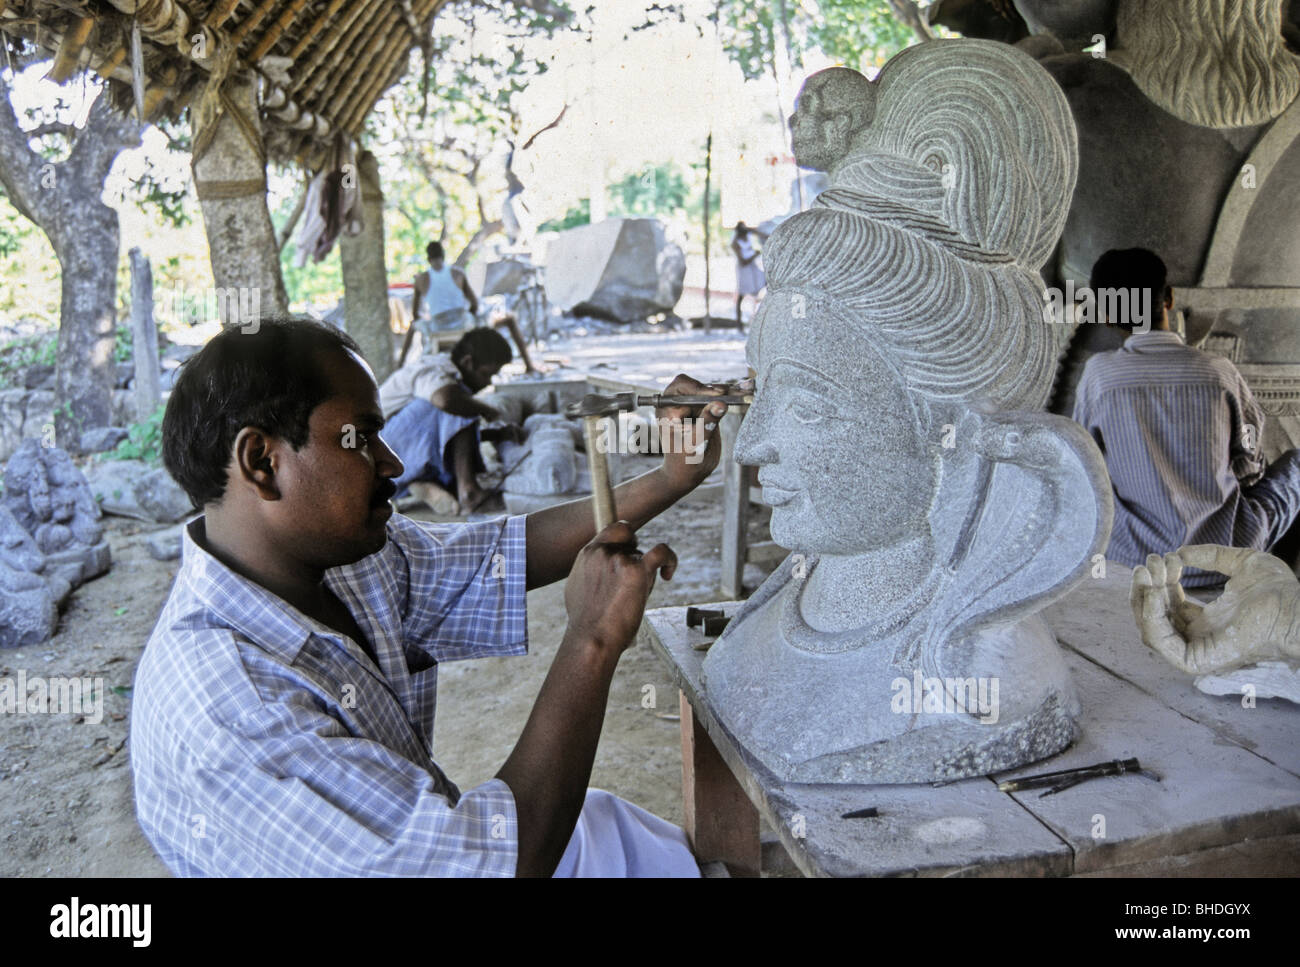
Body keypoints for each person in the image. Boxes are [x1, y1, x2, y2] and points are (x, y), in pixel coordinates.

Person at [132, 315, 729, 877]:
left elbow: (499, 555)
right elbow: (502, 869)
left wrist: (672, 477)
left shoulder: (334, 565)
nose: (391, 463)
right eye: (359, 438)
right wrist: (591, 640)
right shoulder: (234, 709)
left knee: (604, 830)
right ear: (262, 461)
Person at [1072, 248, 1300, 586]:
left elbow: (1084, 465)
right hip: (1225, 556)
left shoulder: (1099, 377)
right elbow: (1251, 459)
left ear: (1106, 315)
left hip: (1136, 559)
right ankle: (1279, 589)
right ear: (1169, 299)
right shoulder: (1219, 373)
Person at [379, 327, 516, 513]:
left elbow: (445, 436)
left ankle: (421, 484)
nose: (488, 383)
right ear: (468, 362)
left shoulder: (452, 376)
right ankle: (469, 493)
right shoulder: (435, 370)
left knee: (461, 402)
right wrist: (486, 410)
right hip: (383, 456)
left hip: (398, 461)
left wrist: (496, 434)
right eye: (486, 374)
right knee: (457, 402)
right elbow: (446, 401)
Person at [402, 240, 539, 373]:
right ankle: (529, 365)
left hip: (437, 328)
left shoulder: (421, 279)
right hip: (463, 324)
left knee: (413, 325)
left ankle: (399, 365)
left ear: (428, 258)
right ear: (443, 255)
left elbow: (415, 314)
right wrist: (468, 315)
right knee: (509, 319)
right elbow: (474, 304)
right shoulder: (457, 273)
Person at [731, 222, 767, 328]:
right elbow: (743, 261)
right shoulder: (735, 243)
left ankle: (758, 314)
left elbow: (758, 233)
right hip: (744, 269)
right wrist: (754, 254)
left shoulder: (748, 235)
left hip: (752, 267)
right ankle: (739, 323)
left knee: (764, 282)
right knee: (741, 294)